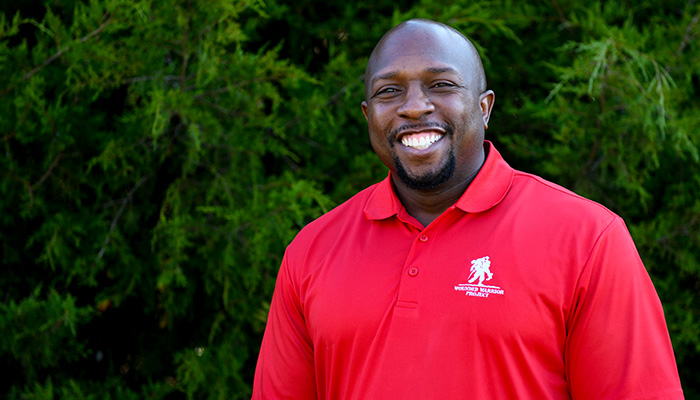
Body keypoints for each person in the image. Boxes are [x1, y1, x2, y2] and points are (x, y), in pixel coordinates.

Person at [252, 18, 684, 399]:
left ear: (484, 107)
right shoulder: (311, 252)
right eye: (390, 91)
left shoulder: (587, 239)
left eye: (441, 85)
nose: (414, 106)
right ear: (369, 116)